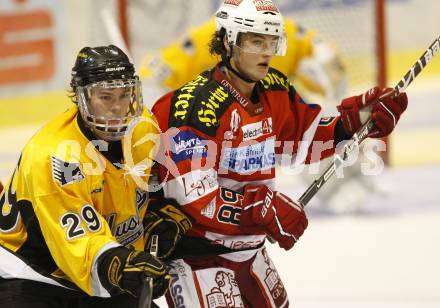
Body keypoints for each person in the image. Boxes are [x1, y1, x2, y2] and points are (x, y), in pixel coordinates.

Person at [151, 0, 408, 307]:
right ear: (229, 41)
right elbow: (194, 199)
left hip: (251, 251)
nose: (266, 52)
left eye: (271, 42)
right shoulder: (196, 107)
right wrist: (258, 206)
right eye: (257, 41)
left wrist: (353, 123)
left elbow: (305, 139)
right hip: (199, 258)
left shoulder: (274, 88)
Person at [0, 45, 191, 308]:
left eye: (125, 95)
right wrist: (121, 265)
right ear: (82, 98)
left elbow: (149, 185)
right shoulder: (56, 158)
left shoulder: (142, 129)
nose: (117, 108)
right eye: (106, 97)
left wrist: (159, 212)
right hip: (30, 273)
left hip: (96, 265)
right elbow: (80, 247)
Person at [139, 14, 346, 106]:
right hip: (217, 130)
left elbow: (332, 70)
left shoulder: (287, 33)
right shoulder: (206, 37)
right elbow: (154, 75)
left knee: (311, 117)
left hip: (269, 123)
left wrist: (326, 76)